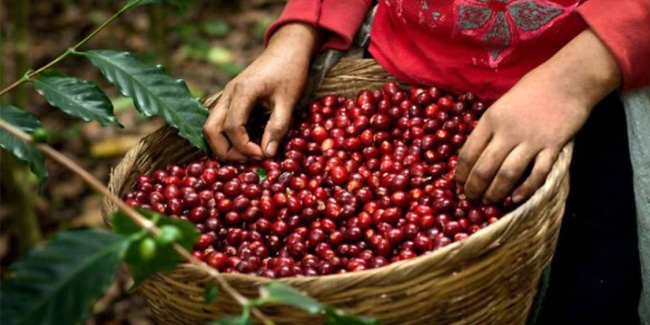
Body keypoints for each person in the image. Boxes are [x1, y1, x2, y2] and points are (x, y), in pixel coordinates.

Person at [203, 1, 650, 323]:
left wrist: (574, 80)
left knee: (590, 294)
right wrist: (300, 28)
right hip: (403, 77)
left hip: (592, 97)